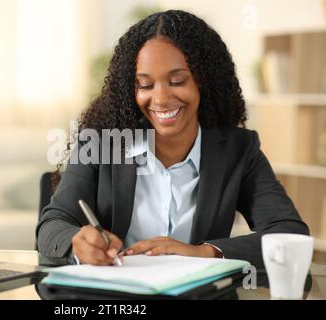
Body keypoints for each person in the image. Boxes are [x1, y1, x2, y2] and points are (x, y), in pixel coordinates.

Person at [36, 10, 309, 269]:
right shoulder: (101, 144)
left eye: (177, 81)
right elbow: (52, 225)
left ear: (204, 81)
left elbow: (290, 233)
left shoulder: (239, 151)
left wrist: (204, 252)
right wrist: (76, 243)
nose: (161, 99)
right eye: (145, 85)